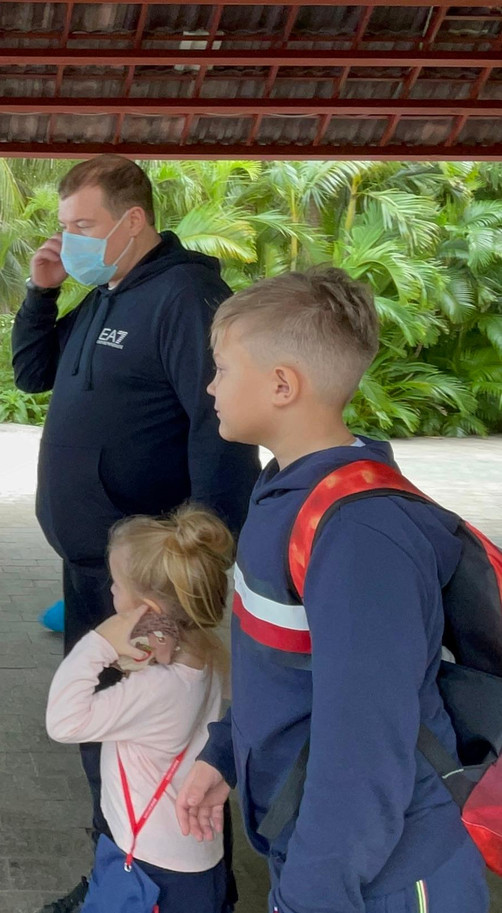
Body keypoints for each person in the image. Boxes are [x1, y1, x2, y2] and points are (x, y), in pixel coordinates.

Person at [175, 267, 490, 912]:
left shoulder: (360, 533)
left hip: (388, 877)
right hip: (325, 852)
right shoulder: (286, 490)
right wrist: (226, 752)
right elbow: (281, 663)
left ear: (282, 385)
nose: (210, 385)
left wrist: (314, 894)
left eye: (222, 369)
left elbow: (366, 741)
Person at [12, 154, 259, 911]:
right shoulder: (107, 293)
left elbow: (221, 433)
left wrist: (198, 572)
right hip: (96, 566)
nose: (69, 240)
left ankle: (177, 886)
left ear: (133, 221)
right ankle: (120, 873)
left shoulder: (184, 296)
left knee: (155, 742)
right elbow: (32, 373)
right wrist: (42, 292)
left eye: (82, 225)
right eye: (63, 226)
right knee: (112, 742)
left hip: (150, 581)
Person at [46, 506, 232, 913]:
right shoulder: (204, 655)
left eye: (115, 584)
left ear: (146, 607)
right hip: (193, 858)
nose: (111, 592)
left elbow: (63, 721)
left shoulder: (157, 687)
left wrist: (99, 641)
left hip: (153, 868)